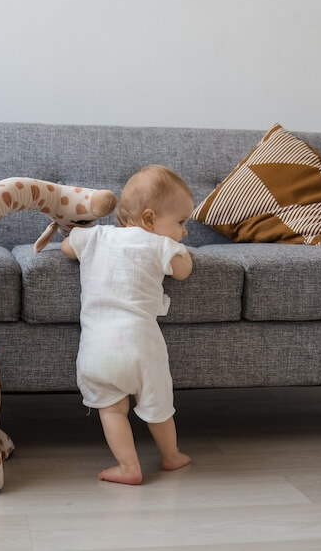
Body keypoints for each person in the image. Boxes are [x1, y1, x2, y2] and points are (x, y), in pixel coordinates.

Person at [61, 164, 194, 485]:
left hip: (98, 349)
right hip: (142, 346)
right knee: (158, 406)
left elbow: (66, 248)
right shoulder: (162, 245)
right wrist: (182, 251)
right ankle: (171, 456)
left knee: (111, 409)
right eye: (181, 222)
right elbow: (183, 271)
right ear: (149, 219)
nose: (185, 231)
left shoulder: (96, 237)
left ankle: (128, 466)